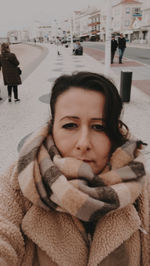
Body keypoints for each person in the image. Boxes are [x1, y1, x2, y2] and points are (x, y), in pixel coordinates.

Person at [0, 72, 149, 265]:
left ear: (115, 134)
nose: (84, 143)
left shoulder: (142, 190)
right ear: (52, 129)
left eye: (99, 127)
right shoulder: (17, 185)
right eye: (70, 125)